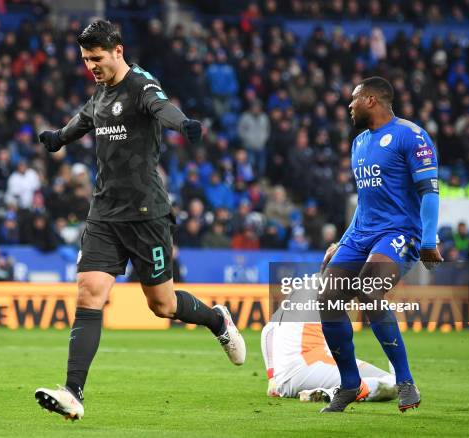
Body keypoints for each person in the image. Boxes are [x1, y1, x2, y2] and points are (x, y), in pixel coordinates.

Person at [34, 20, 245, 421]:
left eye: (96, 58)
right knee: (89, 293)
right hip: (104, 213)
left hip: (147, 213)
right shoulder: (102, 91)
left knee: (162, 305)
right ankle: (73, 392)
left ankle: (216, 318)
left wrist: (182, 124)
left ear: (117, 51)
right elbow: (87, 117)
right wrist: (60, 137)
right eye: (85, 60)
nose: (91, 66)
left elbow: (160, 107)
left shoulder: (142, 84)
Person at [316, 77, 442, 413]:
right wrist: (342, 241)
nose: (349, 105)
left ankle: (404, 381)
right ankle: (349, 384)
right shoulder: (359, 143)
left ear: (371, 100)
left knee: (369, 290)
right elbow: (365, 201)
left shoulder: (410, 135)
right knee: (328, 298)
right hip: (361, 234)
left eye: (353, 99)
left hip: (399, 232)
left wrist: (429, 240)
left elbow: (429, 190)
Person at [261, 322, 397, 403]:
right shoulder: (336, 286)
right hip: (312, 364)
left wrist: (272, 377)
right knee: (395, 384)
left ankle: (325, 392)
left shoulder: (302, 289)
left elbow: (268, 330)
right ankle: (332, 393)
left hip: (283, 381)